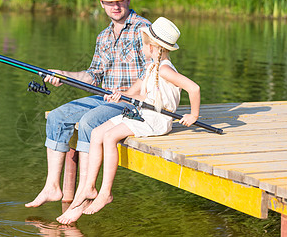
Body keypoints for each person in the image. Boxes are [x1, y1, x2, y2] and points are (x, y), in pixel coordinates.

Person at [56, 17, 201, 224]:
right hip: (145, 113)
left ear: (153, 47)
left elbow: (194, 88)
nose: (141, 47)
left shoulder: (164, 69)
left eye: (143, 44)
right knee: (98, 133)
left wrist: (193, 115)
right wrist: (121, 95)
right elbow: (144, 97)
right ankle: (89, 186)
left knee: (109, 137)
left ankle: (106, 192)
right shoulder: (153, 67)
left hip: (157, 120)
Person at [25, 0, 151, 208]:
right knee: (56, 117)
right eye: (110, 1)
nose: (115, 5)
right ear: (102, 3)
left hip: (132, 101)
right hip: (105, 99)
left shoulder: (143, 29)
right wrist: (64, 75)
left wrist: (126, 92)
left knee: (88, 122)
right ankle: (52, 187)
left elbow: (152, 72)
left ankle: (86, 189)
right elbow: (93, 76)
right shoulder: (102, 37)